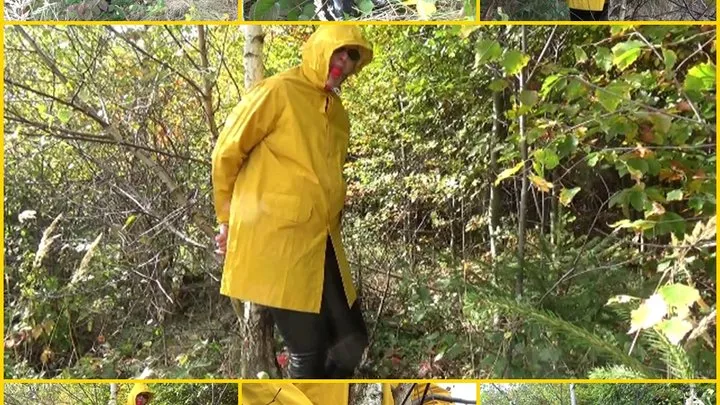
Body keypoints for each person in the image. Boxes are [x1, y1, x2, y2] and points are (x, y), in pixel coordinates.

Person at [211, 26, 374, 379]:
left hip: (323, 242)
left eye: (352, 58)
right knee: (308, 351)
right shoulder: (278, 91)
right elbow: (227, 152)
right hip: (277, 243)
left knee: (352, 342)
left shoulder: (338, 114)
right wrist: (227, 220)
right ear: (321, 50)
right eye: (339, 53)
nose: (344, 64)